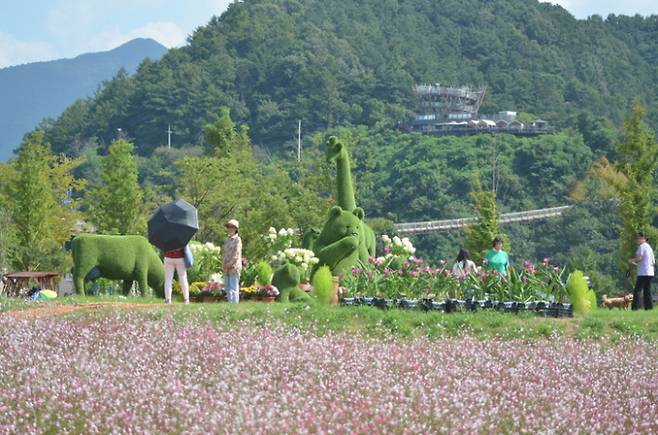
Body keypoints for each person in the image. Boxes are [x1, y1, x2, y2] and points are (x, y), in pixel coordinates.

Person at [628, 232, 654, 311]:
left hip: (643, 273)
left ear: (643, 238)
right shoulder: (649, 248)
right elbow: (652, 262)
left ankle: (635, 308)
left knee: (637, 290)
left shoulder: (642, 247)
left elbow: (639, 258)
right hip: (650, 272)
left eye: (638, 238)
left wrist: (631, 260)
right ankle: (649, 308)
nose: (636, 240)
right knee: (647, 291)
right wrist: (636, 264)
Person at [223, 219, 242, 304]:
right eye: (228, 227)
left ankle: (234, 305)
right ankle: (230, 304)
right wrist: (224, 264)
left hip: (234, 267)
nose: (230, 229)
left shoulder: (237, 239)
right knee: (227, 287)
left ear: (235, 229)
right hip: (226, 267)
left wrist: (229, 264)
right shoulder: (226, 240)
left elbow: (236, 254)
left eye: (232, 227)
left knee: (233, 288)